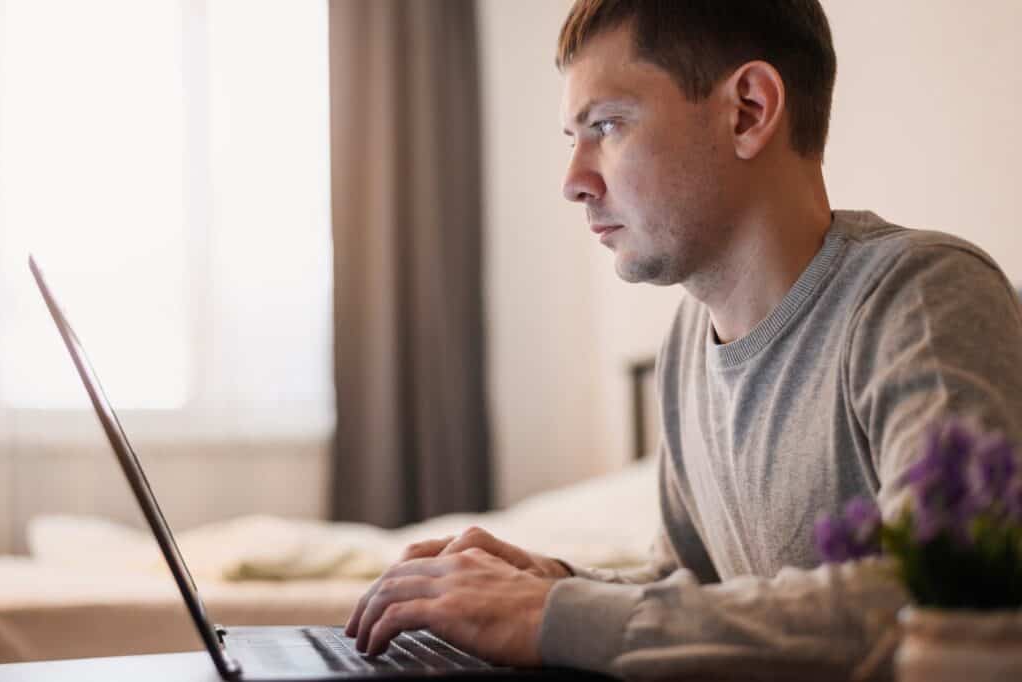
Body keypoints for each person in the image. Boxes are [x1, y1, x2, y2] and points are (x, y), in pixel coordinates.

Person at [344, 1, 1022, 678]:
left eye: (606, 125)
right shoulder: (687, 347)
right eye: (571, 138)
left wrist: (550, 614)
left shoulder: (922, 297)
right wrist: (552, 581)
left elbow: (953, 595)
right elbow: (698, 592)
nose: (573, 181)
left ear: (748, 111)